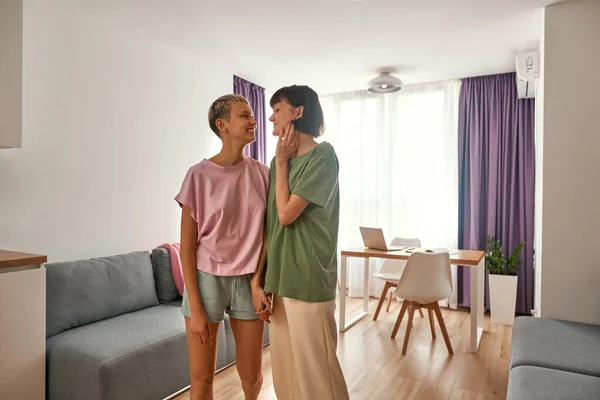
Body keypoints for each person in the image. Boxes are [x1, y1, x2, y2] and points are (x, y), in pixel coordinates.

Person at [254, 85, 350, 400]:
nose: (270, 117)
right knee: (286, 378)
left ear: (299, 112)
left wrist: (282, 164)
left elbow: (285, 215)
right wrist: (260, 279)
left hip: (309, 280)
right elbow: (271, 226)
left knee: (319, 380)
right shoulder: (275, 163)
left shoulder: (323, 155)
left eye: (277, 109)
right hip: (280, 282)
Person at [175, 94, 270, 400]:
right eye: (245, 115)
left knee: (252, 376)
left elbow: (269, 234)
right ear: (222, 125)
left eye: (252, 114)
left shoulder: (262, 173)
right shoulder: (198, 176)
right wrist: (197, 307)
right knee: (201, 379)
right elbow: (187, 247)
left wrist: (259, 282)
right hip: (205, 281)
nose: (253, 120)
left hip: (249, 281)